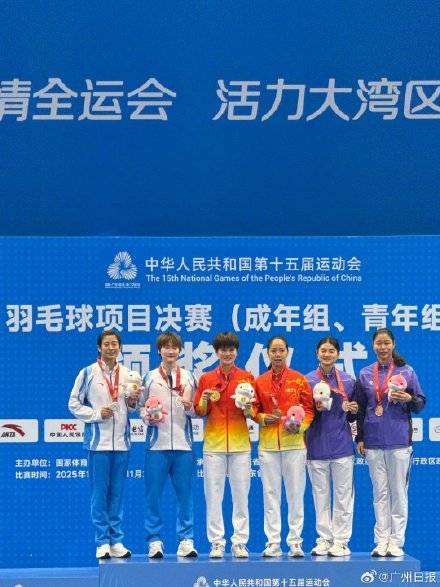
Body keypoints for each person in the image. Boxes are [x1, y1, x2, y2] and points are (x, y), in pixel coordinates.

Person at [68, 329, 140, 559]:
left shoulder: (129, 374)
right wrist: (97, 414)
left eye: (115, 343)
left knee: (117, 494)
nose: (111, 347)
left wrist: (133, 402)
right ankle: (102, 541)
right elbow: (73, 403)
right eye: (107, 344)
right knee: (100, 494)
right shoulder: (88, 372)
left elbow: (134, 408)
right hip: (97, 445)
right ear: (99, 347)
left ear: (120, 347)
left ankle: (116, 541)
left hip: (122, 444)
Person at [355, 328, 426, 557]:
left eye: (386, 343)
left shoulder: (407, 371)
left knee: (398, 493)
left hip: (399, 441)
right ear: (373, 346)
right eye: (379, 343)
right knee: (380, 493)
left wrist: (408, 398)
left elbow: (420, 403)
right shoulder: (365, 373)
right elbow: (360, 409)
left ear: (393, 344)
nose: (383, 347)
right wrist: (360, 438)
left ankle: (396, 542)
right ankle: (381, 540)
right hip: (373, 442)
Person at [194, 332, 255, 559]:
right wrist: (204, 400)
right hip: (214, 445)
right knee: (213, 496)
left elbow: (253, 412)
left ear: (236, 352)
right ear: (216, 352)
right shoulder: (206, 378)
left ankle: (240, 542)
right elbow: (200, 411)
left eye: (231, 349)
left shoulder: (247, 377)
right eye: (223, 350)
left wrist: (248, 407)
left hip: (240, 445)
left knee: (241, 496)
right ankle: (217, 542)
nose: (227, 353)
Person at [253, 336, 314, 557]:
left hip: (294, 445)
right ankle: (273, 542)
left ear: (287, 352)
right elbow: (253, 409)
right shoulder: (259, 381)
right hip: (268, 446)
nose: (277, 354)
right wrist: (262, 418)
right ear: (267, 353)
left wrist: (300, 426)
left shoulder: (299, 379)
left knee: (295, 494)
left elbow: (309, 409)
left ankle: (295, 541)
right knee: (270, 494)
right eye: (273, 351)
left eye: (281, 350)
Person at [139, 331, 198, 559]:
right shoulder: (150, 377)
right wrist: (147, 417)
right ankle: (154, 541)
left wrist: (190, 408)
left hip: (184, 446)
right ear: (159, 350)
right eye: (166, 347)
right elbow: (139, 406)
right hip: (157, 446)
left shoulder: (190, 377)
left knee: (185, 496)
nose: (170, 351)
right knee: (153, 496)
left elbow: (198, 410)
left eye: (174, 347)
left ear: (180, 350)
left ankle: (186, 540)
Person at [305, 336, 358, 557]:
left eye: (331, 351)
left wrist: (354, 409)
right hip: (315, 447)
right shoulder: (307, 380)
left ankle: (341, 541)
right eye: (323, 350)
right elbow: (302, 413)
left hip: (342, 446)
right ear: (317, 353)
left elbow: (354, 415)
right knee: (321, 497)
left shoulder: (348, 381)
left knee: (343, 496)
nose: (327, 354)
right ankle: (324, 539)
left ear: (338, 354)